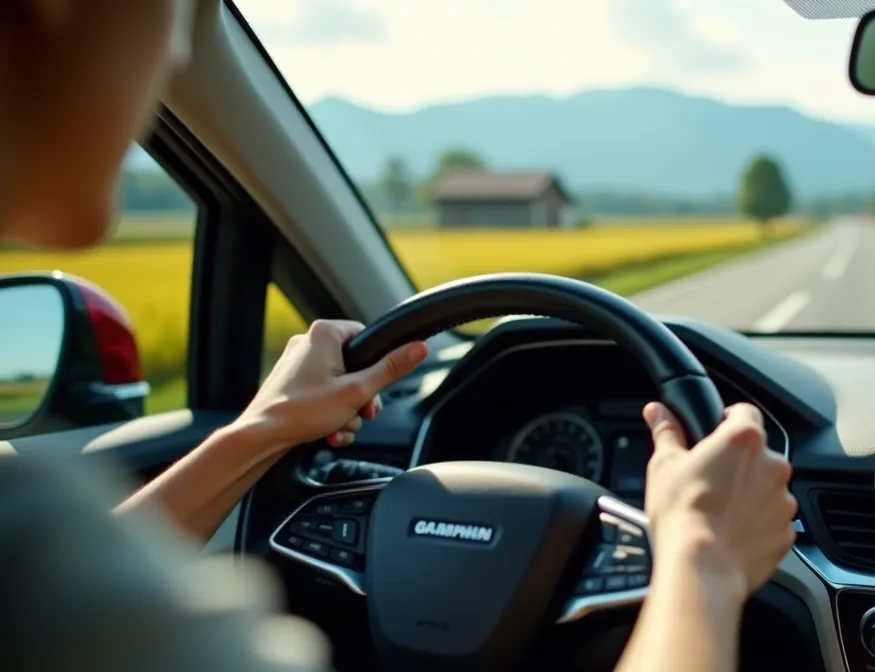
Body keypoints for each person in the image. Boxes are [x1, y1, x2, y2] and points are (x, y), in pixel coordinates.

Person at [0, 1, 798, 671]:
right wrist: (702, 560)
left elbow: (55, 585)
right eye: (182, 9)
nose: (177, 45)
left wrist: (260, 431)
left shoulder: (31, 534)